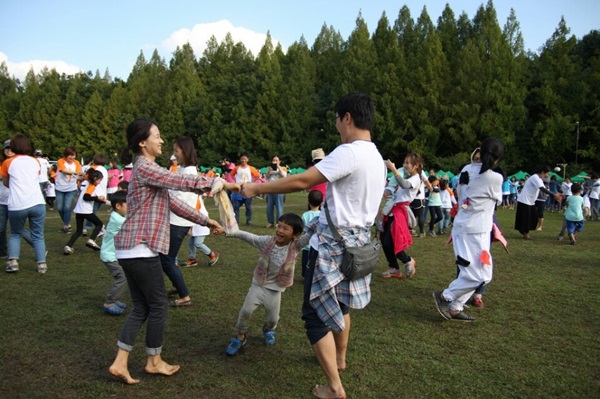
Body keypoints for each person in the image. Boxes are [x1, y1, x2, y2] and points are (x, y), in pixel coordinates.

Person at [238, 93, 386, 399]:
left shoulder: (349, 152)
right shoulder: (376, 156)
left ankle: (334, 388)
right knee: (343, 304)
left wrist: (257, 188)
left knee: (313, 314)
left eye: (336, 118)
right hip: (358, 245)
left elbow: (303, 181)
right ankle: (340, 360)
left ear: (347, 118)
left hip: (332, 246)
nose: (336, 125)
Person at [108, 118, 230, 385]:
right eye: (157, 136)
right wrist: (215, 183)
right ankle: (153, 361)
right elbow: (176, 181)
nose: (162, 141)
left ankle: (120, 362)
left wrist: (205, 220)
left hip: (132, 250)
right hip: (140, 249)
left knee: (141, 306)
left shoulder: (148, 171)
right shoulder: (145, 167)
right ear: (142, 142)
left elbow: (172, 202)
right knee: (159, 304)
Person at [433, 138, 505, 321]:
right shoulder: (495, 178)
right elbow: (499, 200)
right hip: (474, 232)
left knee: (481, 275)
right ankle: (445, 296)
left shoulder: (466, 169)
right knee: (477, 276)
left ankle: (455, 307)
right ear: (497, 158)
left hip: (466, 228)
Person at [225, 213, 316, 356]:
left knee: (273, 319)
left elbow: (310, 233)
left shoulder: (296, 245)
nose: (280, 230)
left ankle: (268, 330)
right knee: (246, 311)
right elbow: (248, 236)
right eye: (279, 226)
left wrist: (324, 216)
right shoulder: (267, 242)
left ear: (295, 235)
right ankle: (240, 336)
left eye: (285, 228)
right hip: (259, 284)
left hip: (276, 289)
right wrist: (229, 231)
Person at [160, 136, 206, 307]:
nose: (174, 155)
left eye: (176, 151)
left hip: (177, 221)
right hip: (177, 220)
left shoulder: (189, 172)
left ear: (185, 151)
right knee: (166, 259)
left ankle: (184, 295)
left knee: (167, 260)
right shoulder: (183, 170)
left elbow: (179, 198)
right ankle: (178, 289)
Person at [0, 134, 47, 274]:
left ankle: (13, 262)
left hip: (17, 204)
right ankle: (42, 264)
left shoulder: (8, 163)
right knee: (38, 234)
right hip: (37, 202)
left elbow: (5, 182)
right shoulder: (35, 161)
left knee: (15, 234)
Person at [380, 154, 423, 279]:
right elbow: (398, 190)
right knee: (385, 240)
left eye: (408, 163)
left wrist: (393, 169)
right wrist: (389, 192)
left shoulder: (416, 178)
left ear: (416, 165)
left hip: (400, 212)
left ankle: (407, 260)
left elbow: (405, 185)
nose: (405, 165)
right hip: (393, 210)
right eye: (404, 162)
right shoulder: (407, 176)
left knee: (391, 241)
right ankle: (394, 267)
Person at [63, 169, 110, 254]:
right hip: (86, 211)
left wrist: (107, 202)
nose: (99, 182)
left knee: (79, 231)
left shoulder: (88, 184)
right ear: (95, 178)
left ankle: (68, 246)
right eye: (99, 180)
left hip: (79, 211)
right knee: (99, 224)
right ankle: (91, 240)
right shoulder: (91, 186)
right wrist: (97, 198)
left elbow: (94, 198)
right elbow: (86, 197)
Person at [100, 190, 129, 315]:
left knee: (125, 276)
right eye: (128, 204)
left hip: (114, 254)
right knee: (122, 277)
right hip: (109, 256)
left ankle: (114, 299)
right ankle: (109, 302)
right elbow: (132, 225)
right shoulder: (118, 220)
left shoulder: (119, 215)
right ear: (118, 206)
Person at [514, 166, 562, 239]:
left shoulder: (539, 179)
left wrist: (554, 195)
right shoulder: (535, 177)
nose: (547, 175)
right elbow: (542, 189)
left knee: (534, 216)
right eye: (547, 173)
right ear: (543, 172)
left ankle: (524, 231)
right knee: (527, 218)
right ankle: (525, 233)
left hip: (530, 201)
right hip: (524, 200)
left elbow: (544, 188)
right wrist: (554, 195)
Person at [184, 193, 220, 267]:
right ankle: (192, 259)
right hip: (197, 224)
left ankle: (212, 255)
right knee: (191, 242)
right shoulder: (193, 197)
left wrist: (189, 227)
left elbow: (193, 213)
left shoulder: (194, 199)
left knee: (197, 243)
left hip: (202, 223)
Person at [55, 146, 83, 233]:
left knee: (67, 207)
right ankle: (67, 223)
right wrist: (75, 172)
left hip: (71, 188)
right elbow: (63, 170)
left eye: (73, 155)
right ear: (65, 155)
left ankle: (66, 225)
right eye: (69, 155)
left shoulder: (77, 163)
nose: (71, 157)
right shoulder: (60, 161)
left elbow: (79, 174)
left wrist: (81, 177)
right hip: (60, 188)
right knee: (60, 208)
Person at [230, 152, 260, 226]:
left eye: (245, 159)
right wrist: (236, 181)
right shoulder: (237, 168)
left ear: (247, 159)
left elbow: (257, 176)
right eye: (242, 159)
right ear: (240, 159)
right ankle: (236, 220)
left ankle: (248, 220)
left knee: (248, 206)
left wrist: (251, 182)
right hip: (238, 189)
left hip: (247, 189)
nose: (243, 160)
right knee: (236, 206)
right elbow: (232, 174)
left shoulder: (251, 168)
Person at [301, 190, 322, 279]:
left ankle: (305, 276)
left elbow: (303, 229)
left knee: (305, 262)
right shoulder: (322, 215)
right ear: (321, 202)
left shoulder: (305, 215)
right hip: (318, 245)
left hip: (307, 245)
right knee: (316, 262)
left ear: (308, 201)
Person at [265, 155, 287, 228]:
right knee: (269, 207)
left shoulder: (283, 168)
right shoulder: (270, 169)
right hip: (270, 190)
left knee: (279, 208)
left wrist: (278, 167)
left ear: (279, 161)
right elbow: (266, 177)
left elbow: (284, 175)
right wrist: (269, 170)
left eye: (276, 160)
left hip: (279, 190)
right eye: (273, 160)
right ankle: (270, 222)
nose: (274, 162)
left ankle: (279, 223)